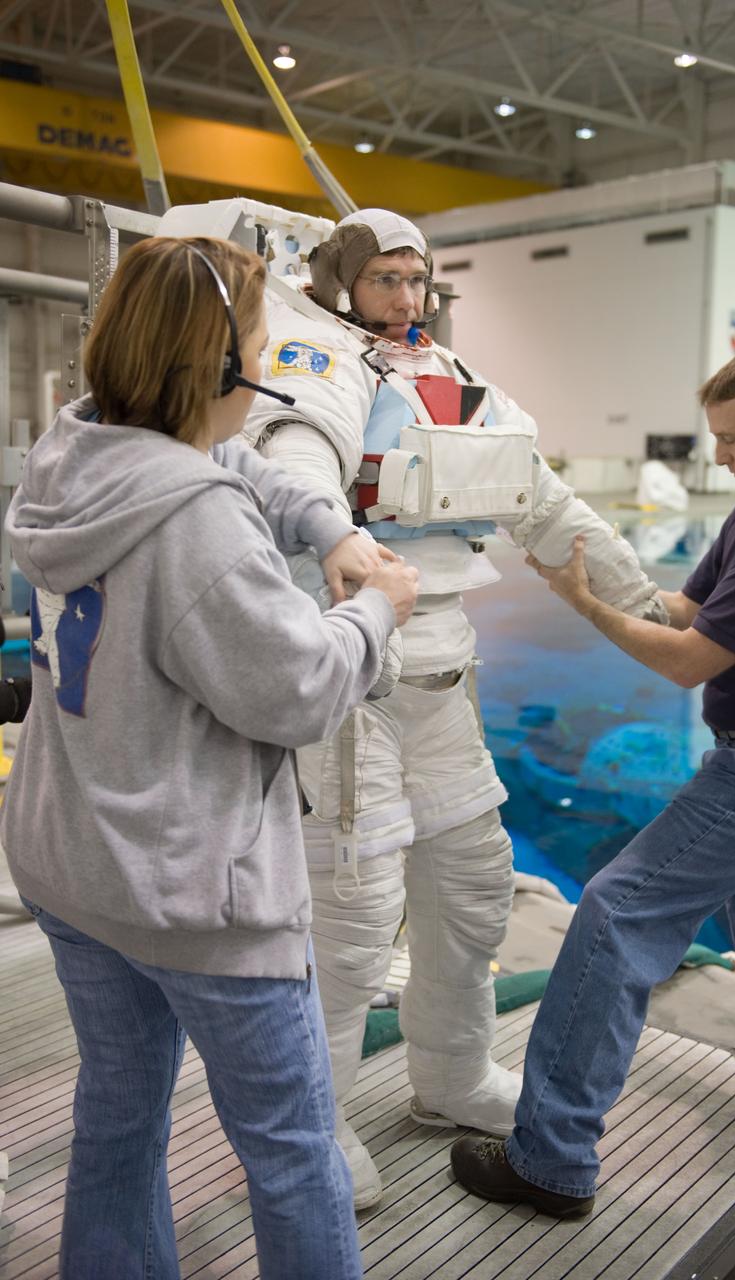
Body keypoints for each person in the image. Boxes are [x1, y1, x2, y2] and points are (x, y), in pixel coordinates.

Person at [1, 234, 418, 1279]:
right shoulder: (201, 534)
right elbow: (299, 690)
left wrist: (325, 522)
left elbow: (218, 460)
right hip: (192, 892)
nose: (270, 378)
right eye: (261, 355)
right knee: (291, 1154)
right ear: (214, 374)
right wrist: (377, 605)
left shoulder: (73, 453)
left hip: (73, 863)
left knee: (119, 1110)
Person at [242, 207, 668, 1207]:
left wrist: (650, 600)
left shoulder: (458, 381)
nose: (405, 300)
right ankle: (313, 1122)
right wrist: (333, 537)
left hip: (443, 675)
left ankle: (452, 1073)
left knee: (474, 889)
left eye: (416, 280)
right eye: (385, 280)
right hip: (355, 678)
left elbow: (546, 503)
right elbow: (299, 456)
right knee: (347, 924)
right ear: (342, 281)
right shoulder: (315, 359)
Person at [451, 346, 735, 1215]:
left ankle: (550, 1160)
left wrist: (580, 606)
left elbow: (685, 661)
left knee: (614, 911)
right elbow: (689, 610)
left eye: (730, 439)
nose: (719, 458)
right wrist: (601, 567)